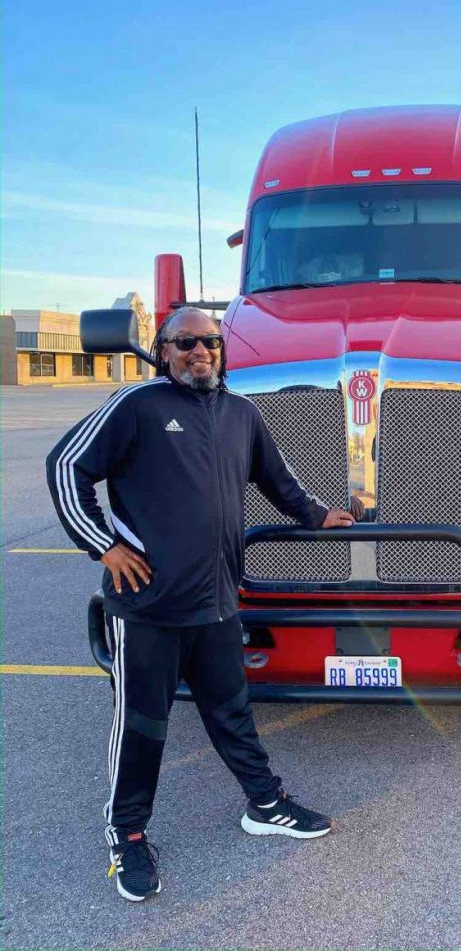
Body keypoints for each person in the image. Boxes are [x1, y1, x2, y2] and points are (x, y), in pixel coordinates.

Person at [46, 307, 357, 902]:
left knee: (232, 710)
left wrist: (317, 514)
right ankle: (128, 833)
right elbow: (66, 466)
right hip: (148, 608)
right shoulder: (136, 406)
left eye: (211, 342)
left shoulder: (242, 413)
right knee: (141, 725)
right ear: (164, 351)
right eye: (186, 343)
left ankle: (265, 804)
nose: (201, 352)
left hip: (217, 602)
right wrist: (103, 545)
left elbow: (277, 478)